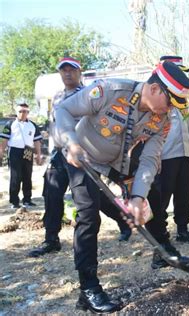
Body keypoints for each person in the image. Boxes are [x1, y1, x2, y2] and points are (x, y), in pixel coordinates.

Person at [55, 61, 189, 313]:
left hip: (119, 162)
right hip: (82, 156)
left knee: (152, 193)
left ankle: (162, 250)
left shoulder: (163, 120)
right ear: (154, 89)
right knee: (88, 216)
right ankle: (89, 289)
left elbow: (150, 159)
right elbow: (64, 110)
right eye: (171, 102)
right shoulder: (109, 91)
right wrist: (71, 142)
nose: (172, 109)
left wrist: (138, 196)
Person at [28, 57, 132, 259]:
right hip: (59, 153)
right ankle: (51, 240)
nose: (67, 73)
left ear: (79, 72)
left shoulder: (89, 94)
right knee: (52, 194)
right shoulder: (57, 97)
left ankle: (122, 219)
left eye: (71, 70)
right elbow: (55, 126)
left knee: (94, 195)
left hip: (81, 153)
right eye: (63, 70)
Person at [150, 56, 189, 246]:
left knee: (184, 194)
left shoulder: (183, 101)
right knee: (161, 198)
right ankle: (160, 238)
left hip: (183, 154)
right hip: (165, 155)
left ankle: (182, 229)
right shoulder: (157, 96)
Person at [0, 103, 43, 208]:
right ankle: (14, 201)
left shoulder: (33, 125)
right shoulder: (10, 124)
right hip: (14, 152)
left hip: (28, 152)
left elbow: (37, 141)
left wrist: (38, 155)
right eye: (20, 111)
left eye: (25, 111)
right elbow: (4, 140)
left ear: (28, 112)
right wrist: (1, 152)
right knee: (16, 177)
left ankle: (27, 200)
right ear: (17, 112)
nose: (23, 113)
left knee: (28, 176)